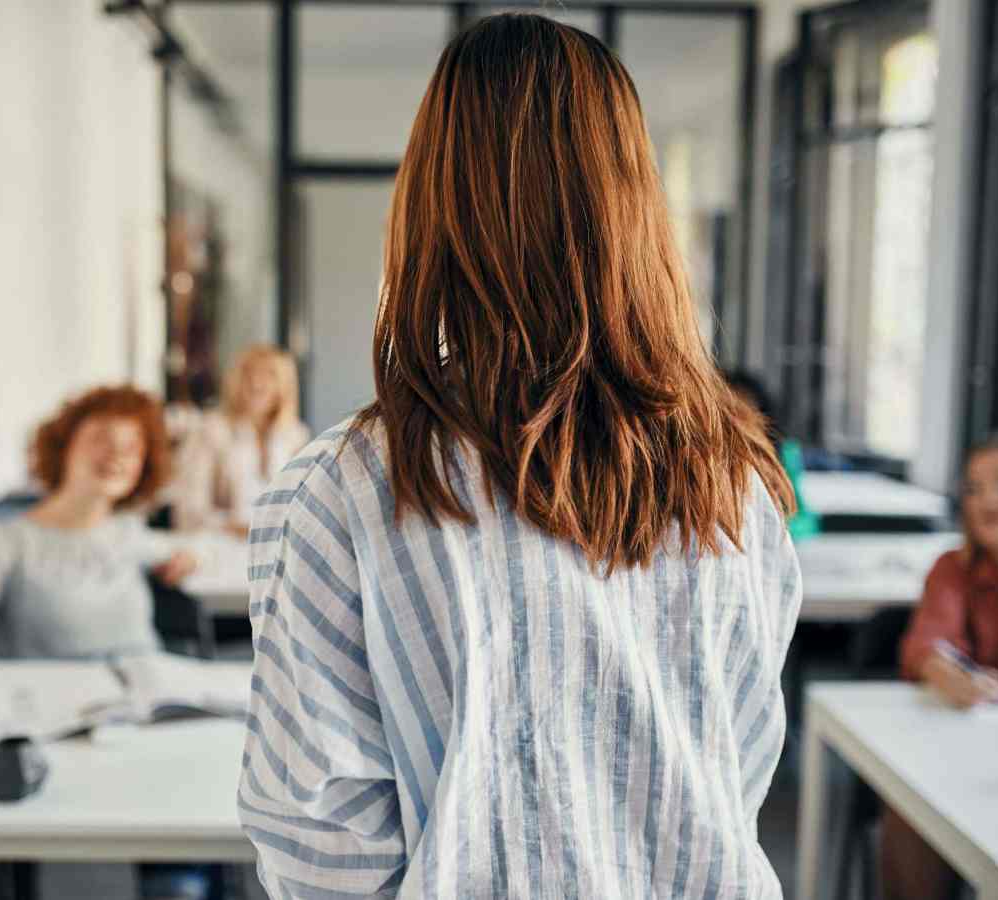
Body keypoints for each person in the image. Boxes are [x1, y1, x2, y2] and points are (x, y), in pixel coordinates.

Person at [237, 15, 800, 898]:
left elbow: (321, 844)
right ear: (636, 207)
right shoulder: (732, 480)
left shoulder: (343, 489)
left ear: (432, 205)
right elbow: (738, 763)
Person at [0, 385, 212, 900]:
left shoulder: (130, 535)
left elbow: (190, 550)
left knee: (187, 840)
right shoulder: (8, 542)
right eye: (100, 438)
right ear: (63, 446)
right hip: (48, 728)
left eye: (132, 447)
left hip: (143, 713)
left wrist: (188, 557)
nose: (117, 454)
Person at [881, 430, 998, 900]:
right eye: (973, 488)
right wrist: (950, 676)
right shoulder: (952, 567)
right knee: (910, 809)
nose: (988, 500)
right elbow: (926, 646)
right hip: (963, 746)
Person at [172, 344, 310, 537]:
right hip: (220, 546)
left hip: (279, 548)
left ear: (284, 385)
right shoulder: (210, 429)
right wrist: (237, 528)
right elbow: (188, 511)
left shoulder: (296, 435)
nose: (256, 383)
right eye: (248, 374)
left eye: (269, 375)